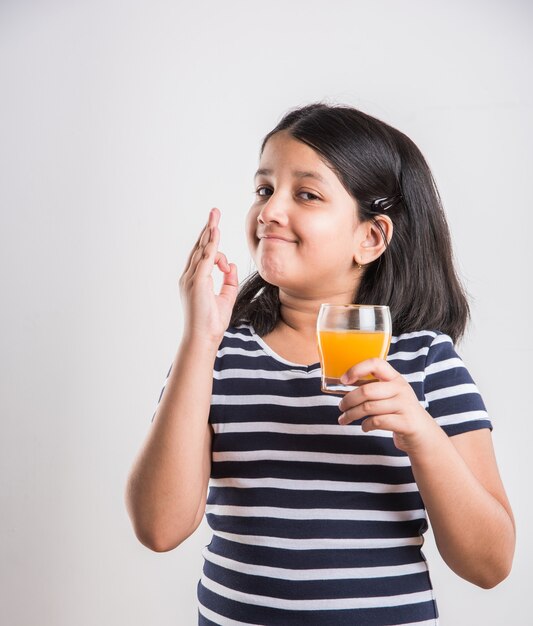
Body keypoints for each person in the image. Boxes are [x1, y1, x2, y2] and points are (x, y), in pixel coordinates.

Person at [125, 102, 516, 625]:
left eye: (305, 194)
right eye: (264, 190)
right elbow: (158, 527)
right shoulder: (216, 357)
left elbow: (490, 564)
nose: (269, 211)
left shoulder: (425, 363)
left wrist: (422, 434)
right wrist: (199, 337)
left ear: (370, 237)